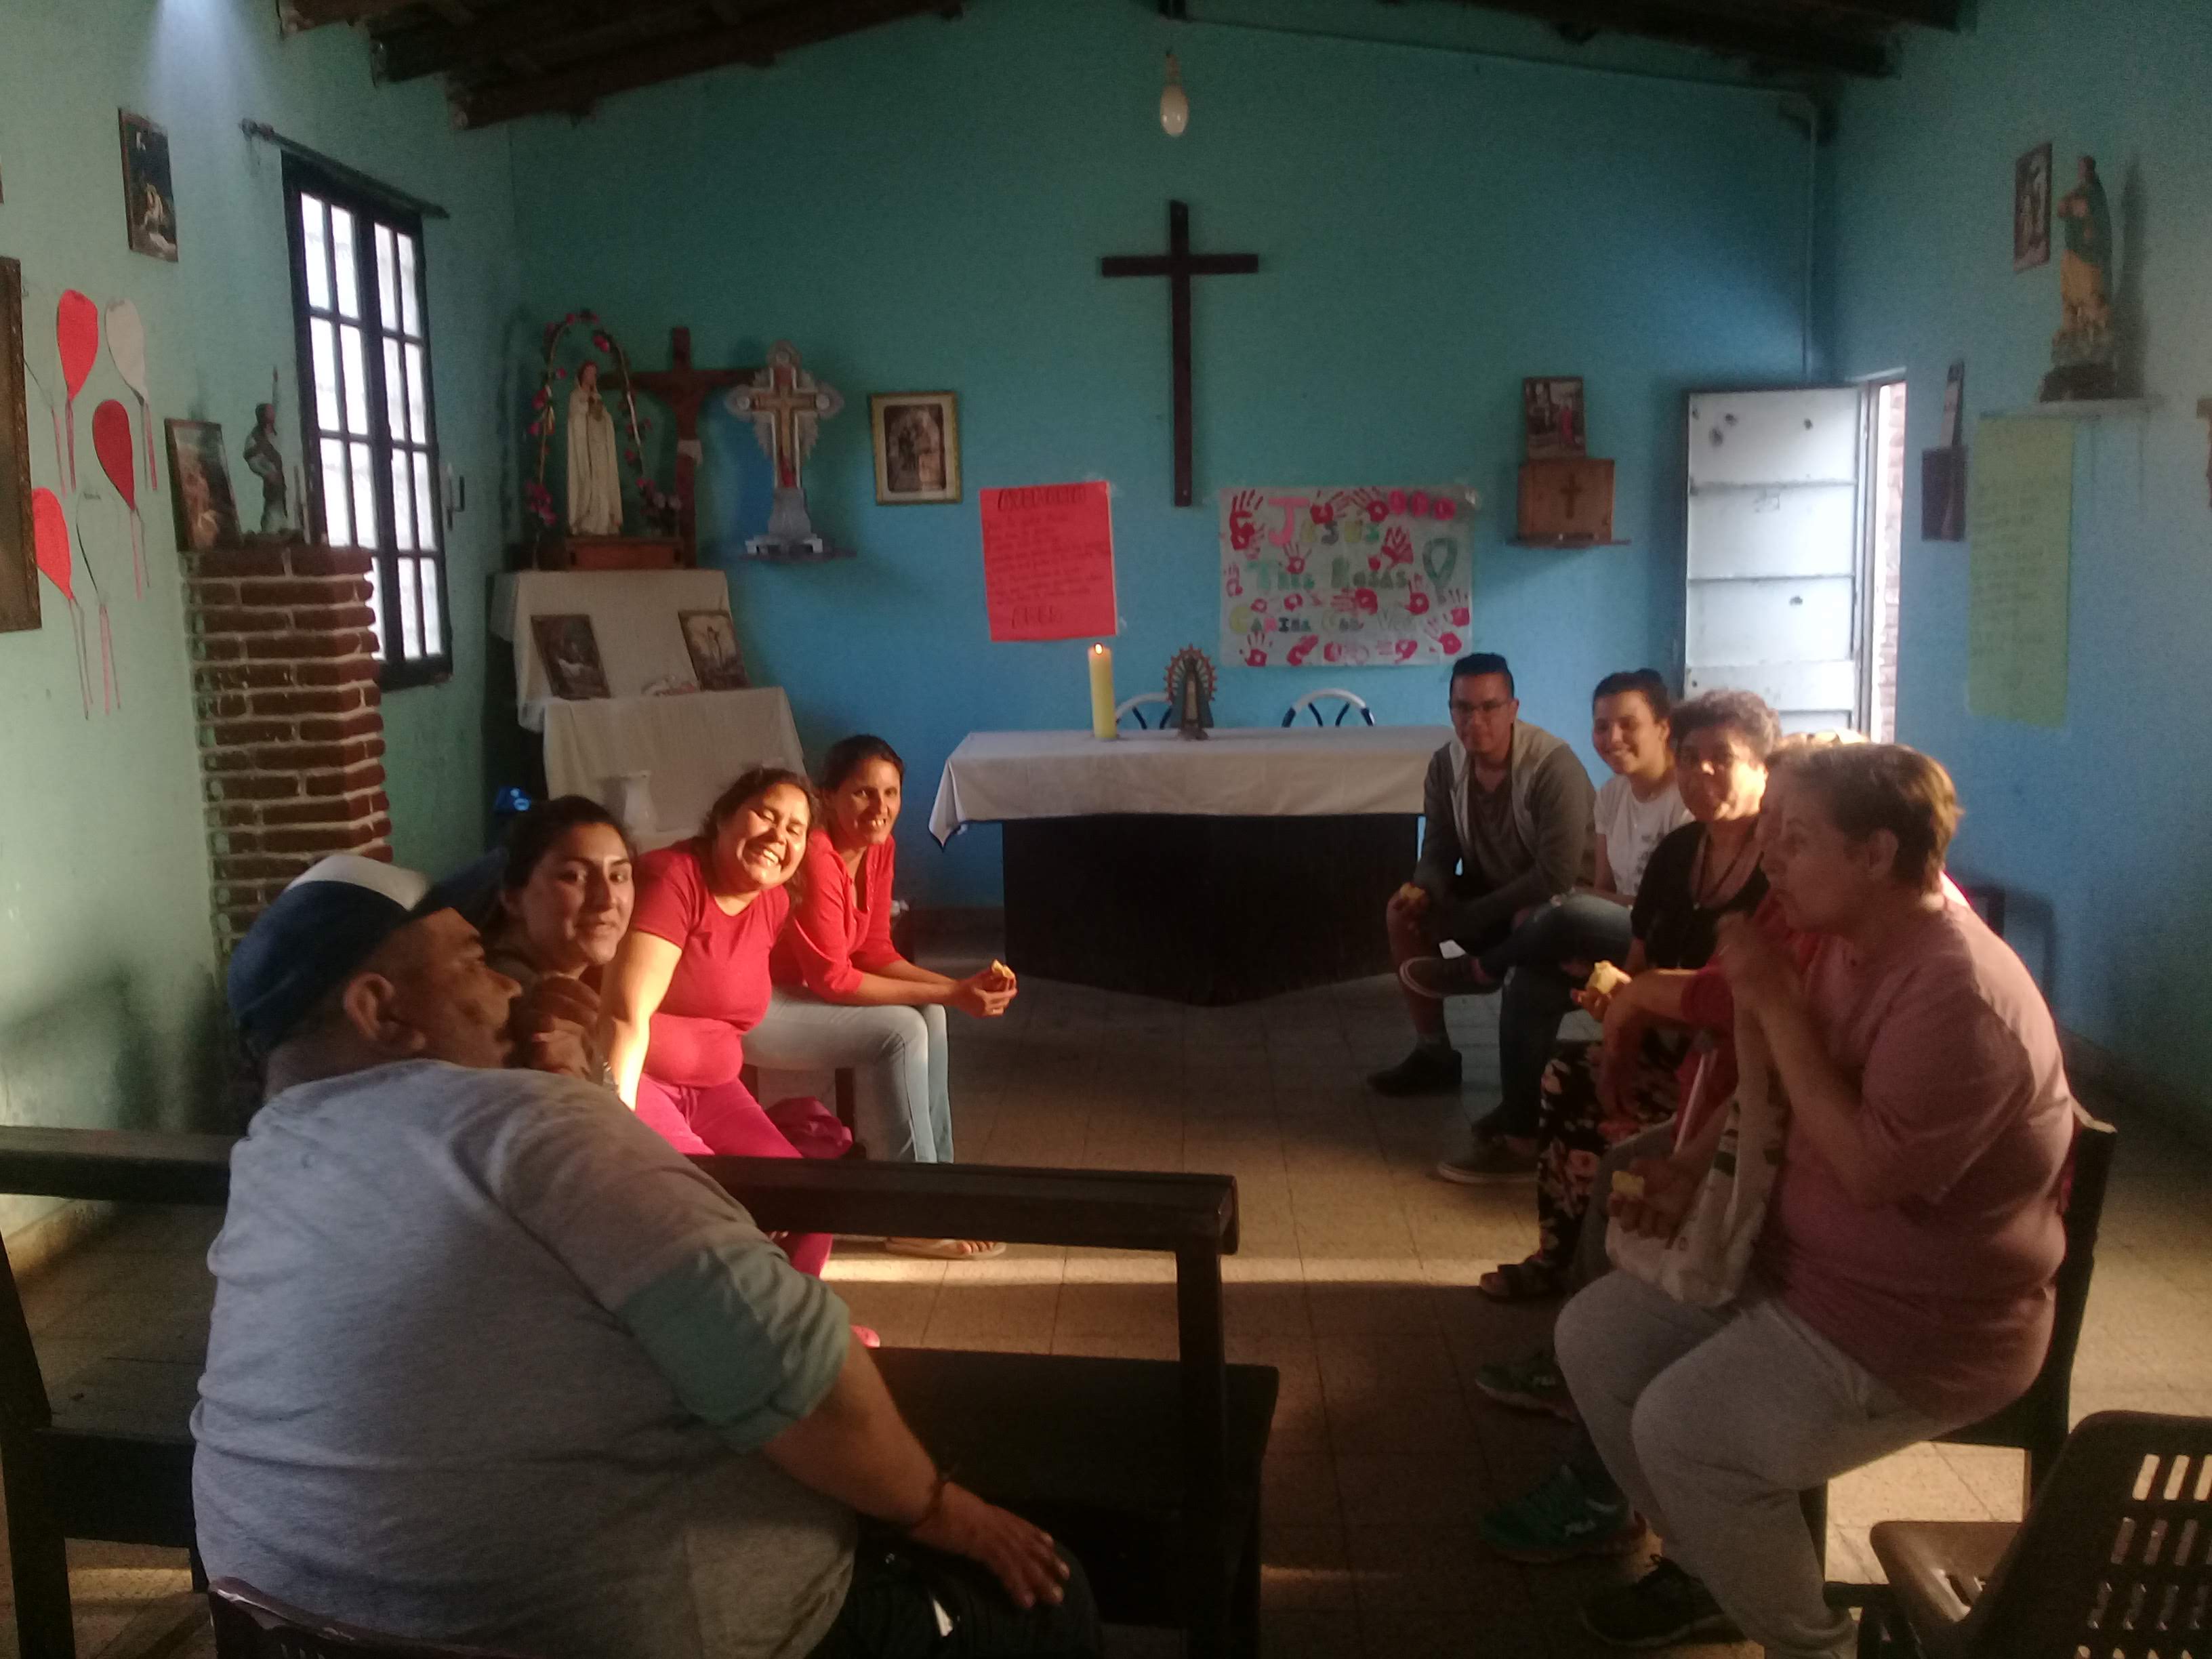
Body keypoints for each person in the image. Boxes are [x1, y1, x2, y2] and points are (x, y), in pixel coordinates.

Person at [197, 853, 1101, 1659]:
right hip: (602, 1628)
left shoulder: (268, 1160)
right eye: (472, 966)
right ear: (381, 1011)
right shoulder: (528, 1126)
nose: (508, 988)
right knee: (1045, 1598)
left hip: (287, 1622)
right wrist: (942, 1511)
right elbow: (803, 1375)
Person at [1553, 745, 2075, 1656]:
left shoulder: (1959, 993)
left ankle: (1812, 1645)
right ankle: (1713, 1570)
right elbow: (1779, 1096)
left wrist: (1778, 1008)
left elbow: (1871, 1171)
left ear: (1875, 855)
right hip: (1797, 1271)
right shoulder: (1843, 940)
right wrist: (1692, 1169)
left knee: (1683, 1432)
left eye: (1795, 840)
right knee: (1594, 1338)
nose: (1771, 862)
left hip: (1915, 1327)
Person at [1456, 689, 1777, 1284]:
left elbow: (1748, 1004)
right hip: (1666, 1039)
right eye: (1689, 758)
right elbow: (1638, 962)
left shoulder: (1782, 867)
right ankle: (1558, 1257)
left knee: (1561, 924)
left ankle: (1617, 1276)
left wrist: (1638, 1004)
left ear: (1763, 767)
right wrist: (1617, 1006)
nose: (1701, 772)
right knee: (1566, 1067)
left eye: (1722, 758)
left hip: (1736, 1064)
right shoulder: (1678, 853)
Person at [749, 735, 1015, 1262]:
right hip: (760, 1004)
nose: (881, 807)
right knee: (903, 1030)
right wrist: (954, 991)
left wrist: (956, 989)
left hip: (804, 991)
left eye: (891, 793)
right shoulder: (817, 855)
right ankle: (914, 1218)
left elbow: (873, 950)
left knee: (930, 1013)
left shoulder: (878, 847)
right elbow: (833, 980)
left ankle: (939, 1189)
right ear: (827, 797)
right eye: (863, 793)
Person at [600, 768, 834, 1276]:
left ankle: (792, 1312)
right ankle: (733, 1314)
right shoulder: (674, 877)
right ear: (724, 818)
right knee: (712, 1205)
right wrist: (613, 1126)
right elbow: (624, 1015)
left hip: (714, 1091)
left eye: (795, 829)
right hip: (642, 1080)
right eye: (765, 815)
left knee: (812, 1204)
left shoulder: (774, 900)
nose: (778, 836)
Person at [1369, 655, 1596, 1168]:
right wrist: (1425, 890)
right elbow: (1438, 848)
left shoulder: (1553, 766)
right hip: (1490, 893)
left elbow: (1555, 876)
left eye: (1490, 708)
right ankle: (1433, 1053)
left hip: (1564, 907)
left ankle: (1520, 1092)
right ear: (1451, 710)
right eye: (1463, 708)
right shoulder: (1446, 765)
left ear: (1514, 708)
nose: (1476, 721)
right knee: (1401, 913)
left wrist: (1468, 919)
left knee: (1527, 919)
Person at [1404, 668, 1689, 1006]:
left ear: (1663, 728)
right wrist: (1428, 888)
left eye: (1629, 725)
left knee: (1559, 913)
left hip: (1664, 934)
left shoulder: (1684, 802)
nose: (1613, 738)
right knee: (1528, 980)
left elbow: (1670, 912)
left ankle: (1482, 970)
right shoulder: (1612, 795)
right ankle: (1434, 1037)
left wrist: (1572, 910)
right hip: (1604, 919)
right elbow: (1604, 891)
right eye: (1602, 727)